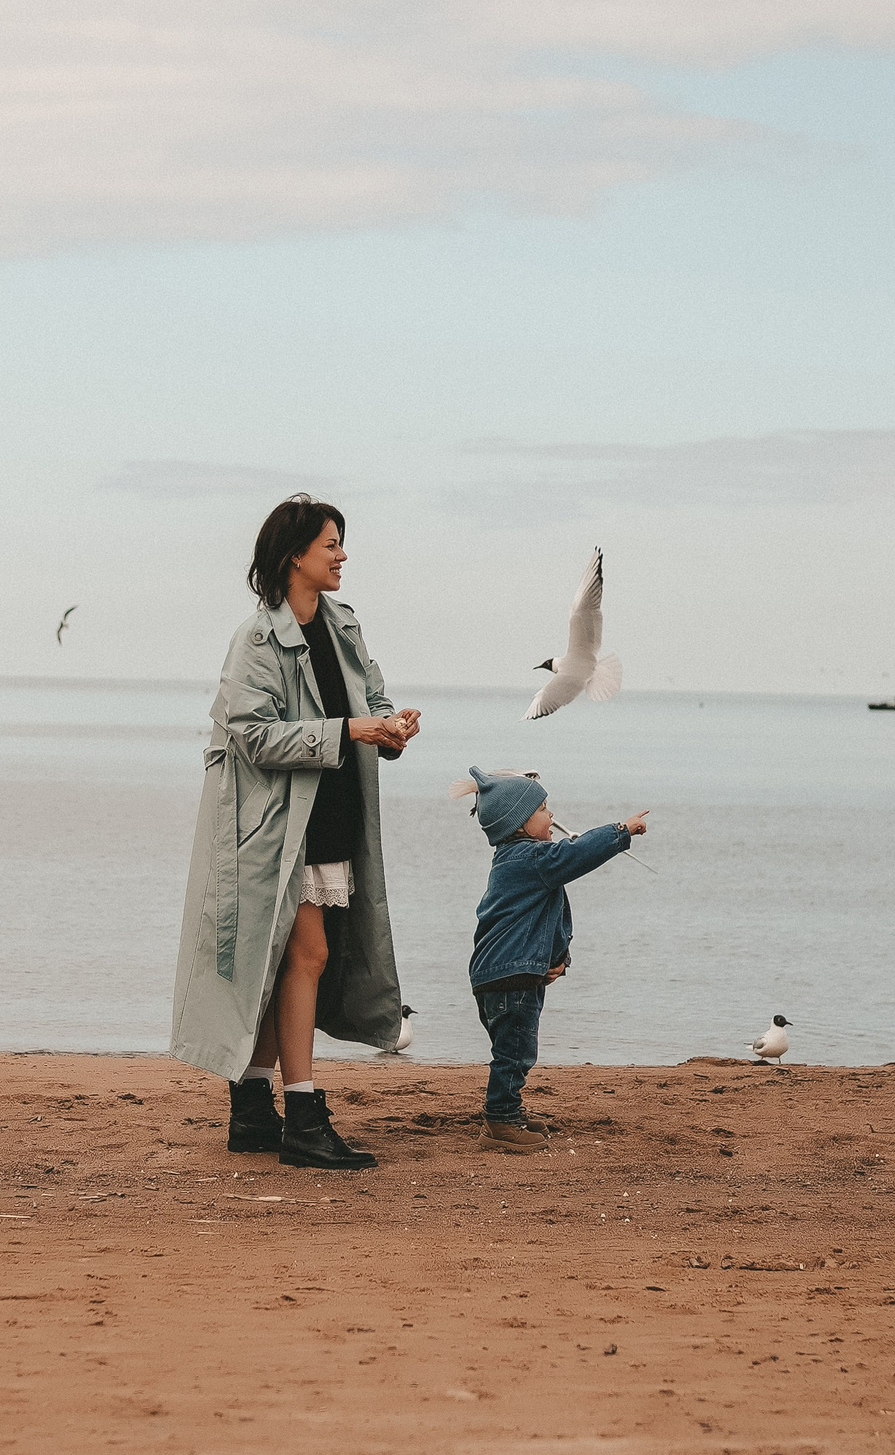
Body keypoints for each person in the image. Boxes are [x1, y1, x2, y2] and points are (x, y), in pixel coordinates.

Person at [171, 496, 421, 1170]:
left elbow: (370, 704)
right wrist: (351, 731)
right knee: (304, 955)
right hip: (277, 825)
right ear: (294, 557)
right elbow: (249, 736)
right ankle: (304, 1116)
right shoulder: (256, 640)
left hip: (333, 813)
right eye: (331, 544)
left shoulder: (342, 624)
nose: (342, 556)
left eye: (342, 543)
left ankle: (254, 1105)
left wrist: (392, 728)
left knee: (288, 958)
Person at [465, 767, 648, 1154]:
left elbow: (551, 922)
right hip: (509, 975)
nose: (552, 817)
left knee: (514, 1049)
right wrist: (621, 831)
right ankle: (500, 1122)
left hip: (504, 972)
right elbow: (577, 853)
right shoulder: (530, 859)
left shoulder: (521, 862)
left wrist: (560, 960)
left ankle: (508, 1112)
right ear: (520, 823)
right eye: (544, 809)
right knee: (514, 1052)